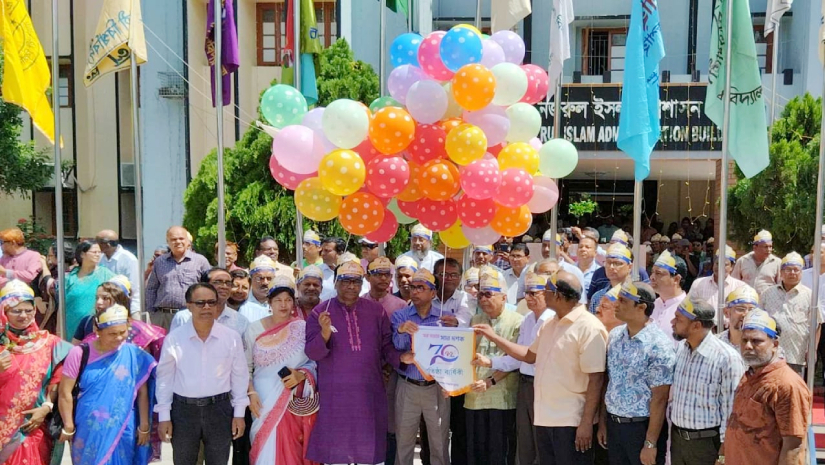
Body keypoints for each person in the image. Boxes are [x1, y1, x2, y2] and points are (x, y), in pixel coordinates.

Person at [475, 271, 607, 465]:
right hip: (545, 417)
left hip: (571, 421)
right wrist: (493, 336)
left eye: (546, 290)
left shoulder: (589, 327)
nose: (543, 294)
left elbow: (596, 379)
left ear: (558, 296)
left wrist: (586, 423)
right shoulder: (550, 324)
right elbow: (528, 355)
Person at [305, 260, 413, 465]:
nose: (351, 286)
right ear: (336, 283)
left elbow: (387, 346)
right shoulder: (320, 313)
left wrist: (401, 358)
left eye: (356, 281)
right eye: (345, 281)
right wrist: (325, 333)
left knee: (368, 450)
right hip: (336, 395)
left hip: (368, 392)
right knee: (336, 451)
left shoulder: (376, 311)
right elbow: (312, 352)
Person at [155, 283, 249, 465]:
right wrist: (164, 416)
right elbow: (164, 379)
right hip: (183, 411)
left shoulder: (231, 337)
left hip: (219, 409)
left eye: (211, 302)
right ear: (189, 305)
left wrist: (238, 413)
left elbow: (239, 376)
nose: (207, 307)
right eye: (200, 303)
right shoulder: (174, 338)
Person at [58, 304, 157, 465]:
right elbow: (65, 392)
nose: (119, 338)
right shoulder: (79, 353)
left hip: (124, 424)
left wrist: (144, 425)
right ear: (97, 331)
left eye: (123, 332)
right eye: (112, 334)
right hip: (88, 426)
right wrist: (68, 425)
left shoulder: (134, 353)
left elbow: (142, 392)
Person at [475, 273, 554, 465]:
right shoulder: (528, 319)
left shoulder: (551, 319)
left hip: (544, 386)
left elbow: (529, 355)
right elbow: (518, 358)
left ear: (547, 294)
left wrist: (494, 339)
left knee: (541, 441)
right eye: (526, 292)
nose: (528, 297)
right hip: (525, 384)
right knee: (525, 442)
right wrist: (490, 362)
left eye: (534, 293)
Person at [244, 276, 318, 465]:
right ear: (269, 302)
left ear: (294, 302)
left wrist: (301, 375)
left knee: (293, 447)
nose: (283, 305)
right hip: (262, 397)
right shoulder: (254, 329)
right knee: (264, 444)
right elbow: (245, 367)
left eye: (288, 300)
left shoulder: (303, 327)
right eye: (278, 300)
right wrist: (251, 393)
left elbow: (315, 361)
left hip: (294, 397)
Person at [598, 282, 674, 465]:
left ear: (641, 307)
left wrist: (650, 443)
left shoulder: (659, 345)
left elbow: (660, 399)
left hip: (641, 428)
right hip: (614, 425)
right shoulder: (615, 336)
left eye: (623, 301)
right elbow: (608, 381)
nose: (616, 304)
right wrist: (603, 422)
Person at [722, 310, 811, 465]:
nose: (748, 346)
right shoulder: (749, 375)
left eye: (756, 341)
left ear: (775, 345)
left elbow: (793, 447)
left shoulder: (787, 385)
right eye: (744, 341)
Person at [0, 281, 71, 465]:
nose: (24, 315)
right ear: (4, 312)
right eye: (16, 311)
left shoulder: (51, 344)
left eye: (28, 310)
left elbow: (59, 380)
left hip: (35, 427)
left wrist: (46, 407)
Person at [669, 298, 744, 465]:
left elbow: (732, 411)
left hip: (707, 445)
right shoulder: (682, 349)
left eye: (679, 319)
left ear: (696, 326)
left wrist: (724, 454)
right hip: (679, 441)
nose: (672, 322)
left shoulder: (726, 358)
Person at [391, 269, 451, 465]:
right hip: (408, 385)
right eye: (413, 287)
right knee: (404, 443)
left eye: (420, 288)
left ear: (433, 293)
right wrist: (401, 331)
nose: (415, 291)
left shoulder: (445, 318)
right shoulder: (400, 316)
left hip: (437, 387)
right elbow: (399, 346)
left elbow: (454, 352)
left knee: (439, 444)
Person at [463, 269, 522, 465]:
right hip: (474, 397)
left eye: (489, 294)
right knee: (476, 452)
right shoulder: (476, 320)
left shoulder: (517, 321)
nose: (483, 299)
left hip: (502, 398)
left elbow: (514, 359)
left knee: (499, 454)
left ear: (504, 297)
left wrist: (491, 380)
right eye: (480, 294)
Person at [761, 252, 818, 375]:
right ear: (781, 272)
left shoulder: (810, 296)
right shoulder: (767, 293)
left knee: (793, 390)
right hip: (770, 353)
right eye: (788, 269)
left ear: (801, 273)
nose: (792, 273)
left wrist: (812, 349)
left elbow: (817, 324)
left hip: (796, 353)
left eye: (796, 270)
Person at [145, 226, 211, 331]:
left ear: (187, 241)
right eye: (173, 239)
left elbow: (209, 288)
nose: (178, 242)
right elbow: (151, 289)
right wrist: (152, 313)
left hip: (190, 315)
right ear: (168, 241)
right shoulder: (160, 262)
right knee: (162, 346)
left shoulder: (200, 261)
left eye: (181, 238)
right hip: (163, 317)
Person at [170, 268, 250, 337]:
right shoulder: (184, 317)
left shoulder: (240, 321)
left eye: (228, 283)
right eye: (218, 282)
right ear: (204, 285)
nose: (224, 286)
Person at [61, 241, 117, 339]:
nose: (97, 255)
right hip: (70, 326)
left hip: (95, 326)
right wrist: (59, 331)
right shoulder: (69, 278)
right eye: (94, 252)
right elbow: (61, 307)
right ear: (82, 254)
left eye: (99, 252)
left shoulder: (106, 275)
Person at [96, 230, 142, 315]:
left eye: (98, 242)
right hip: (106, 308)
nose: (95, 246)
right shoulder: (100, 258)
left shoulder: (129, 259)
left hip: (128, 308)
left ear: (107, 244)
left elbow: (134, 287)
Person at [648, 251, 687, 341]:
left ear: (676, 279)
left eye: (658, 273)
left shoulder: (687, 309)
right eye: (652, 272)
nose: (652, 277)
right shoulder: (650, 305)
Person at [732, 230, 782, 295]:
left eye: (770, 246)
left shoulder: (777, 262)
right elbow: (734, 283)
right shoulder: (742, 261)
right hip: (747, 301)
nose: (769, 250)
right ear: (755, 247)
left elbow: (781, 286)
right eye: (765, 247)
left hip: (768, 302)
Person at [589, 244, 634, 315]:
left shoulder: (636, 296)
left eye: (617, 263)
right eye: (608, 263)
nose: (611, 267)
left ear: (630, 267)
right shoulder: (597, 297)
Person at [433, 258, 473, 327]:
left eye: (454, 275)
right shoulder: (425, 297)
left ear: (460, 278)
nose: (449, 278)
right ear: (434, 276)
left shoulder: (466, 298)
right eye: (444, 274)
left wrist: (455, 322)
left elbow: (465, 319)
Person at [240, 256, 278, 322]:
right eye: (259, 278)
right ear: (250, 279)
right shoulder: (240, 302)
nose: (265, 282)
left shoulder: (282, 303)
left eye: (269, 279)